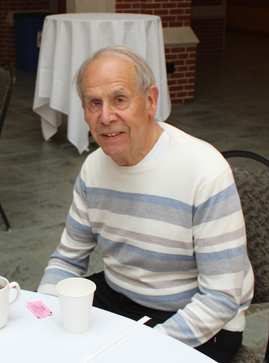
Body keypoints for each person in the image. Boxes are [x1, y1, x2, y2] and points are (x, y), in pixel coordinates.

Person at [37, 46, 254, 363]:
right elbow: (67, 261)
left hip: (200, 318)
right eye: (94, 103)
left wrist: (144, 348)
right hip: (118, 298)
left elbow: (221, 298)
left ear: (151, 101)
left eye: (119, 99)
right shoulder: (93, 169)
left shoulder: (204, 170)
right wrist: (41, 314)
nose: (106, 116)